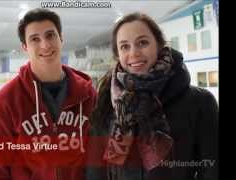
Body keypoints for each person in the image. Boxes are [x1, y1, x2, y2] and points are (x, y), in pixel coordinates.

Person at [86, 12, 218, 180]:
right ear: (117, 54)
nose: (134, 53)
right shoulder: (106, 101)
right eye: (125, 46)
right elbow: (95, 169)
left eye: (142, 43)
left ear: (159, 45)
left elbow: (212, 169)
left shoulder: (199, 102)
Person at [0, 8, 97, 180]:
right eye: (35, 39)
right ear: (25, 47)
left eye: (50, 35)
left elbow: (98, 156)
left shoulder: (88, 94)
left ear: (62, 38)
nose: (45, 45)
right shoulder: (6, 101)